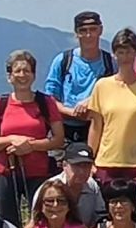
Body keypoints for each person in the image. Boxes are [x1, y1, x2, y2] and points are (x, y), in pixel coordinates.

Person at [0, 49, 65, 227]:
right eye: (17, 71)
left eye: (26, 71)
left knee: (42, 222)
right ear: (9, 76)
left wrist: (30, 146)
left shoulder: (46, 103)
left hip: (39, 172)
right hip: (4, 172)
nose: (22, 75)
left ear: (34, 75)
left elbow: (59, 140)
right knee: (5, 224)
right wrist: (12, 140)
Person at [87, 27, 136, 185]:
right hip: (106, 162)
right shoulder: (102, 86)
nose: (125, 57)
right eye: (120, 52)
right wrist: (89, 159)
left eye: (129, 52)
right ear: (114, 54)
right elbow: (96, 127)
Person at [43, 9, 115, 145]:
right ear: (76, 34)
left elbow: (118, 91)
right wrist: (70, 112)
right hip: (64, 130)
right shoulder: (63, 60)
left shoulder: (110, 63)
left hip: (98, 128)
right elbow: (50, 99)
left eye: (93, 29)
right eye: (83, 30)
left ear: (100, 30)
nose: (88, 35)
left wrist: (91, 101)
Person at [57, 142, 107, 226]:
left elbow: (100, 216)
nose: (82, 171)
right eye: (77, 166)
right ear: (64, 165)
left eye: (86, 166)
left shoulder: (92, 185)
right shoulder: (49, 189)